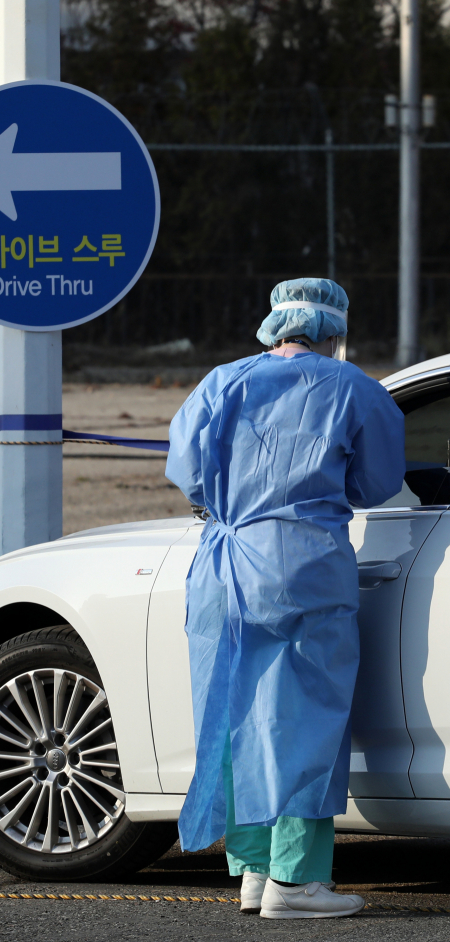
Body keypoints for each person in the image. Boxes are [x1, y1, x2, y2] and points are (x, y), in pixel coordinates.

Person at [165, 278, 405, 919]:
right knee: (304, 726)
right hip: (303, 570)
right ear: (335, 331)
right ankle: (296, 884)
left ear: (276, 323)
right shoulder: (353, 389)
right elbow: (377, 483)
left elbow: (187, 471)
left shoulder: (221, 382)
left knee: (237, 721)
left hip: (223, 570)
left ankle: (252, 874)